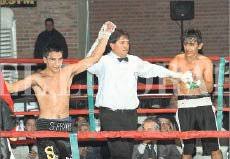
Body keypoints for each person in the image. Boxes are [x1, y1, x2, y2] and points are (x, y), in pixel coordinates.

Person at [5, 21, 116, 159]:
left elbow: (93, 59)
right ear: (45, 59)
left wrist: (105, 35)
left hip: (64, 123)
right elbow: (11, 88)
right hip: (46, 125)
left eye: (60, 59)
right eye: (53, 60)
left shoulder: (67, 72)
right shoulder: (37, 78)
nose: (57, 63)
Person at [87, 29, 194, 159]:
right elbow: (88, 63)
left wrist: (178, 75)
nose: (126, 45)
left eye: (127, 42)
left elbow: (155, 69)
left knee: (126, 152)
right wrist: (101, 36)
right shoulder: (103, 61)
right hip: (110, 115)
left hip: (130, 115)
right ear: (112, 45)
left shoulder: (133, 61)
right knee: (119, 152)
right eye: (122, 42)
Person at [168, 29, 223, 159]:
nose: (188, 47)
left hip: (204, 105)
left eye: (192, 44)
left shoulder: (206, 61)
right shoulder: (177, 60)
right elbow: (168, 81)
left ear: (200, 45)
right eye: (186, 44)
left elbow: (209, 88)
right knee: (187, 150)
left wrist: (197, 81)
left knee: (214, 148)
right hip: (184, 106)